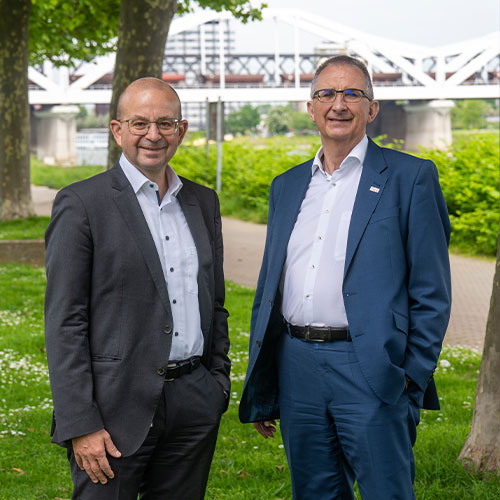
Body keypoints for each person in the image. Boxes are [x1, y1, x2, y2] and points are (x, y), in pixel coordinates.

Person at [239, 55, 451, 500]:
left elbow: (431, 291)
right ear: (311, 108)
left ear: (372, 109)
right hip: (297, 366)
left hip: (372, 365)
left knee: (385, 492)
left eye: (353, 93)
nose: (339, 104)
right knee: (314, 492)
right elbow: (269, 287)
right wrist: (265, 376)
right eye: (327, 94)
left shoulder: (410, 178)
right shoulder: (287, 185)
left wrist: (410, 373)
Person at [45, 77, 230, 500]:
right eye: (140, 123)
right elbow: (65, 320)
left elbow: (214, 303)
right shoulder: (82, 204)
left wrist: (216, 384)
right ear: (117, 130)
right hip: (111, 409)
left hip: (193, 400)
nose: (153, 135)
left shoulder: (204, 202)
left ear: (181, 130)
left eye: (166, 123)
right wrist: (80, 421)